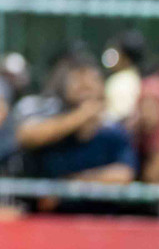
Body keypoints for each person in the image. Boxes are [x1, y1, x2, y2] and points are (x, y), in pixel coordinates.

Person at [14, 54, 136, 187]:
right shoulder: (49, 117)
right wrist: (82, 115)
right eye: (77, 81)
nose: (85, 87)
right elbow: (26, 136)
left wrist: (73, 183)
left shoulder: (113, 130)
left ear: (102, 86)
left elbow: (124, 174)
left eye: (91, 80)